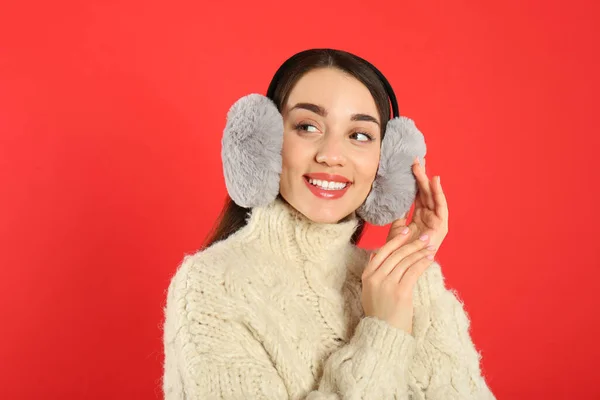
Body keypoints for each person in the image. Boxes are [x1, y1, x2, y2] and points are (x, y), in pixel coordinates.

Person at [162, 48, 495, 399]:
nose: (332, 155)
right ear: (264, 143)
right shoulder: (211, 285)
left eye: (360, 135)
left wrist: (412, 272)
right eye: (307, 127)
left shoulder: (398, 285)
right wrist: (384, 332)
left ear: (386, 165)